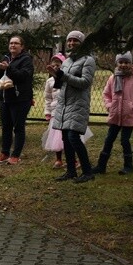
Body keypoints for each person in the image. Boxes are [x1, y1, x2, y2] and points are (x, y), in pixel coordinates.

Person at [48, 30, 97, 183]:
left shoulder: (88, 60)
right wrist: (56, 76)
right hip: (64, 103)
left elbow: (85, 82)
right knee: (65, 138)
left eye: (75, 40)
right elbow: (62, 82)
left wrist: (64, 76)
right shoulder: (67, 61)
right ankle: (71, 171)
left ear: (82, 43)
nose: (71, 43)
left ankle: (88, 171)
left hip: (78, 103)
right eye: (69, 40)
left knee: (73, 137)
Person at [93, 51, 133, 175]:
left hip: (128, 115)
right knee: (109, 140)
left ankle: (128, 166)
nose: (123, 65)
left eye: (126, 62)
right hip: (115, 115)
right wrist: (109, 106)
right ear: (117, 63)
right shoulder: (113, 78)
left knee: (125, 140)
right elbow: (106, 94)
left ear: (131, 63)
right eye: (121, 62)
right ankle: (101, 166)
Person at [0, 35, 34, 165]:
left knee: (18, 127)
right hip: (5, 99)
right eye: (11, 43)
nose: (13, 46)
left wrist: (8, 68)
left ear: (22, 46)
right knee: (6, 127)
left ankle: (15, 155)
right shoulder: (6, 58)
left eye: (16, 43)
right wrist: (0, 69)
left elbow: (23, 76)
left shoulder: (26, 60)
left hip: (21, 99)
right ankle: (4, 153)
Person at [42, 53, 67, 169]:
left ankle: (73, 159)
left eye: (59, 64)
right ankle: (58, 159)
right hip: (55, 112)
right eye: (54, 65)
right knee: (56, 137)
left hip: (66, 111)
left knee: (69, 137)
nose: (56, 67)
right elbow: (48, 97)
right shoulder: (49, 81)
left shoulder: (66, 79)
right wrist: (47, 111)